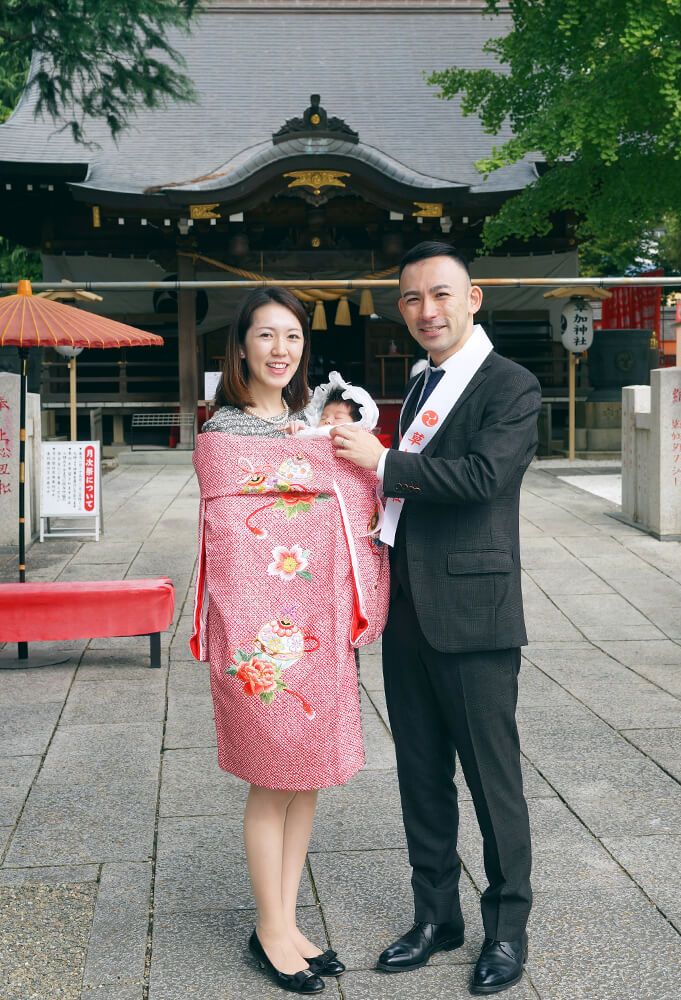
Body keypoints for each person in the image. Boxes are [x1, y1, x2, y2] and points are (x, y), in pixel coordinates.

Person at [331, 241, 541, 995]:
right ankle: (436, 918)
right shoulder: (420, 383)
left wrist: (382, 460)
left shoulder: (510, 386)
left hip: (477, 613)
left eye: (442, 294)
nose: (428, 311)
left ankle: (507, 931)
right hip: (409, 608)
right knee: (421, 774)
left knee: (493, 781)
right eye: (414, 298)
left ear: (473, 298)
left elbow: (485, 478)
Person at [194, 288, 389, 997]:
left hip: (318, 623)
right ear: (241, 345)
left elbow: (356, 497)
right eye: (267, 336)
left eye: (294, 338)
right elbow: (238, 540)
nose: (281, 350)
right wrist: (331, 472)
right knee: (269, 778)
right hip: (263, 637)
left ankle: (285, 918)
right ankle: (270, 928)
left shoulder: (314, 428)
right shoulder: (222, 435)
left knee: (305, 778)